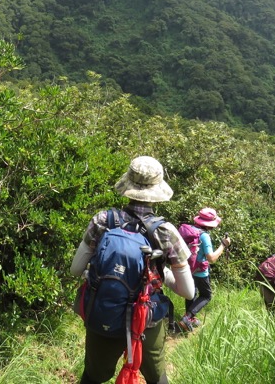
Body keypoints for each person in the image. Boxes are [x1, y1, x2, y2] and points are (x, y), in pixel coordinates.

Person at [70, 156, 195, 384]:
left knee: (93, 377)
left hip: (104, 310)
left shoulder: (102, 221)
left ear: (127, 184)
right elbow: (188, 292)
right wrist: (163, 274)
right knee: (157, 379)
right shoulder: (166, 232)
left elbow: (75, 269)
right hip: (146, 318)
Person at [179, 207, 230, 331]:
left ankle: (190, 319)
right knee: (206, 295)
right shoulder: (204, 236)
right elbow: (211, 258)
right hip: (200, 271)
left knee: (191, 293)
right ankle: (187, 317)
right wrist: (223, 245)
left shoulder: (189, 229)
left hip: (187, 267)